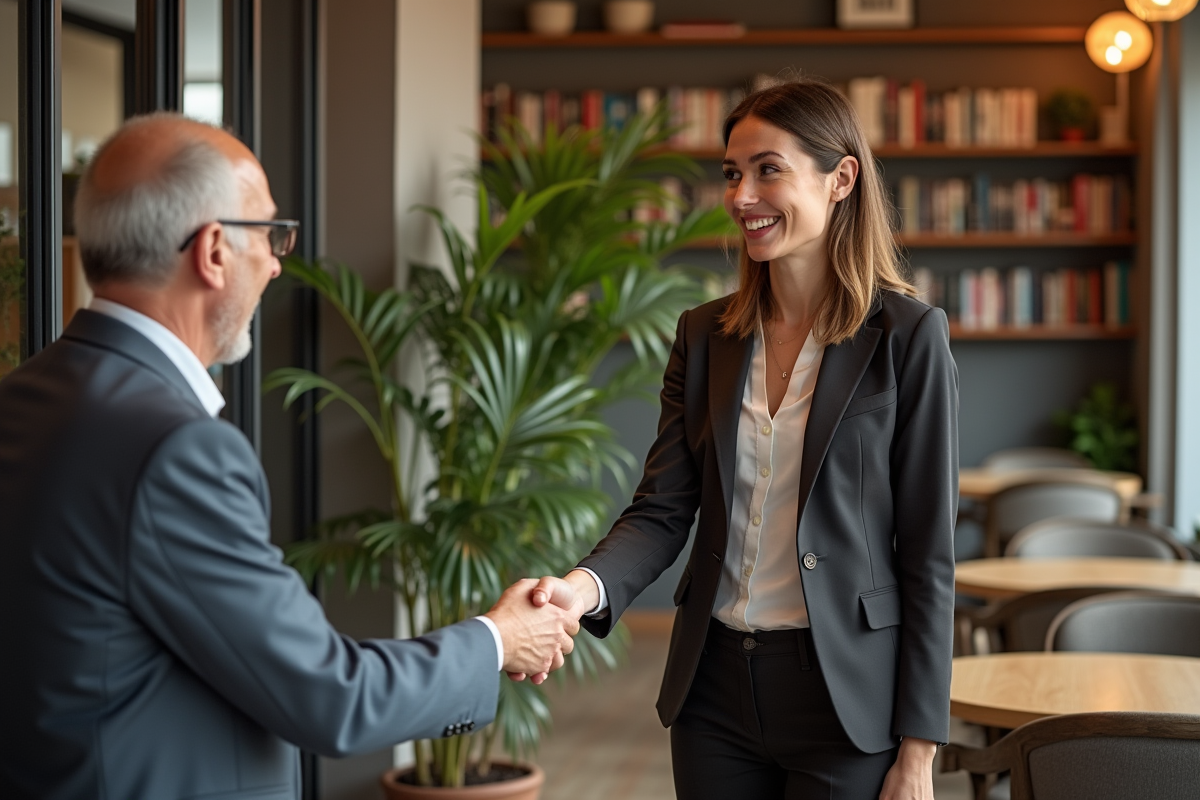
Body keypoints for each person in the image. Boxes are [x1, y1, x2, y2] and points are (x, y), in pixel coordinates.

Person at [0, 113, 579, 800]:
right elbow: (331, 696)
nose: (277, 262)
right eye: (269, 234)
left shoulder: (22, 399)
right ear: (214, 251)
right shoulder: (176, 450)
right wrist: (499, 639)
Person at [530, 79, 958, 799]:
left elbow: (928, 556)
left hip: (847, 697)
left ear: (841, 178)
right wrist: (580, 589)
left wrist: (919, 751)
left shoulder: (908, 337)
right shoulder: (704, 335)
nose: (742, 196)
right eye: (732, 173)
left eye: (768, 170)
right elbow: (663, 509)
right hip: (714, 693)